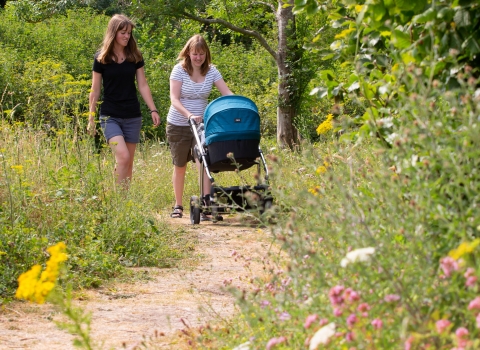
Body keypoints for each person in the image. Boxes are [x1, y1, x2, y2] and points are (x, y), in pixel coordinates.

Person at [88, 14, 160, 187]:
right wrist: (90, 118)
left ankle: (122, 203)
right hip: (109, 116)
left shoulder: (134, 56)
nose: (127, 36)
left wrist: (153, 109)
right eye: (123, 32)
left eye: (129, 33)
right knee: (123, 156)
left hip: (132, 115)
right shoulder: (101, 58)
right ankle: (118, 201)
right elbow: (95, 90)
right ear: (114, 33)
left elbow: (142, 85)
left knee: (128, 162)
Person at [167, 34, 233, 219]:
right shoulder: (178, 70)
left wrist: (236, 106)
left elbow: (226, 92)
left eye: (202, 54)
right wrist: (188, 115)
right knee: (180, 166)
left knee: (204, 163)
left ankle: (206, 204)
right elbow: (174, 99)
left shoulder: (212, 71)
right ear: (188, 53)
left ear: (206, 55)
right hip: (179, 123)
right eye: (195, 54)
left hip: (202, 125)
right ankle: (178, 206)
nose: (198, 58)